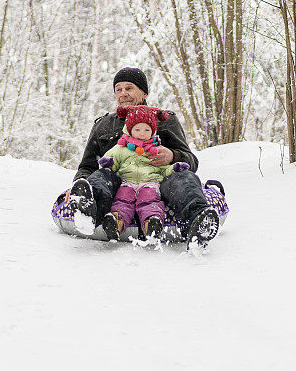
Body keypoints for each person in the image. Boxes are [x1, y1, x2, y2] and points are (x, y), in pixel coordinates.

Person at [67, 66, 220, 247]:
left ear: (144, 93)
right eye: (119, 89)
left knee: (184, 178)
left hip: (158, 180)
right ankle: (87, 209)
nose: (123, 93)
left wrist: (173, 155)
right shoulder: (103, 125)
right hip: (119, 184)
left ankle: (198, 221)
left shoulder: (165, 120)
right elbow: (87, 165)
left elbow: (191, 160)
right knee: (101, 177)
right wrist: (80, 182)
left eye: (129, 88)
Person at [97, 104, 191, 242]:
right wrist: (108, 164)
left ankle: (152, 224)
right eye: (138, 129)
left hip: (150, 184)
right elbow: (113, 163)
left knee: (150, 202)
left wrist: (174, 168)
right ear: (129, 130)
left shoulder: (157, 150)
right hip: (126, 183)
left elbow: (163, 169)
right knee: (122, 202)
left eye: (147, 129)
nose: (142, 133)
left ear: (153, 132)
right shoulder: (121, 148)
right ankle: (115, 223)